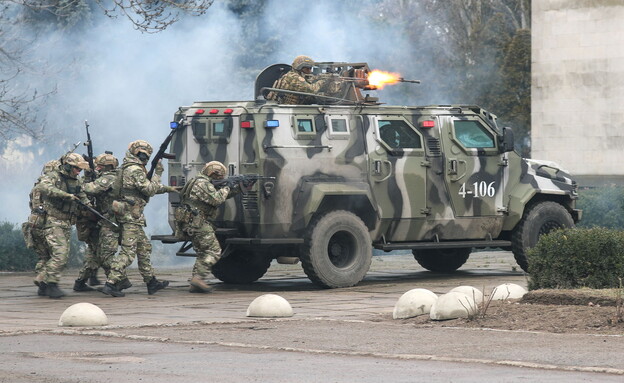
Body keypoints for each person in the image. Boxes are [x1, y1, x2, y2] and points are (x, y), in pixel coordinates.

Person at [101, 140, 176, 297]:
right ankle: (111, 283)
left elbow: (142, 188)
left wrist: (169, 189)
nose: (146, 158)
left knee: (143, 248)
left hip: (130, 215)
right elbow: (149, 189)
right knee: (128, 253)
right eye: (145, 155)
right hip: (131, 216)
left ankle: (151, 282)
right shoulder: (135, 169)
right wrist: (159, 173)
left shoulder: (129, 167)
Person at [30, 153, 90, 298]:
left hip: (66, 222)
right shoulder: (54, 176)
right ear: (69, 166)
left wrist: (89, 207)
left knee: (61, 255)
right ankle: (51, 284)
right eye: (76, 169)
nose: (78, 172)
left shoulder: (76, 181)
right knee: (60, 254)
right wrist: (65, 195)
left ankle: (43, 284)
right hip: (53, 220)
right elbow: (44, 187)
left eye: (80, 170)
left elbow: (82, 195)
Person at [174, 161, 238, 293]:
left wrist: (237, 189)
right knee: (213, 251)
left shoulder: (196, 181)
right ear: (213, 173)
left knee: (202, 253)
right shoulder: (202, 183)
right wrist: (227, 187)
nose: (220, 179)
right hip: (198, 223)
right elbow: (216, 199)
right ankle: (199, 278)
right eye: (219, 176)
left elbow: (213, 197)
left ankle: (195, 282)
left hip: (192, 222)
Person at [74, 152, 132, 293]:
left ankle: (117, 281)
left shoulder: (110, 178)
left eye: (100, 166)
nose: (97, 168)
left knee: (105, 255)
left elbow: (90, 188)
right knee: (95, 252)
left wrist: (77, 181)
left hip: (109, 221)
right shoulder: (107, 176)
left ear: (107, 167)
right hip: (101, 219)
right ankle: (117, 280)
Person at [22, 159, 61, 296]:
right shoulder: (49, 186)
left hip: (33, 223)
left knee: (43, 256)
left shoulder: (36, 186)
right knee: (56, 254)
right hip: (45, 223)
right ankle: (44, 279)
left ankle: (42, 287)